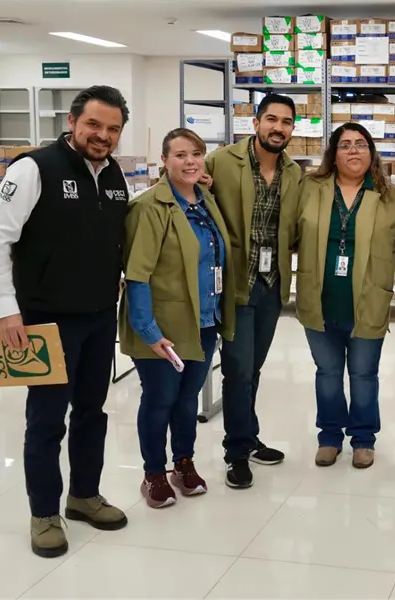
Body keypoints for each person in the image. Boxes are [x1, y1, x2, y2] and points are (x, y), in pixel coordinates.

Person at [0, 86, 131, 557]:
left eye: (113, 128)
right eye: (94, 124)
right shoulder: (34, 168)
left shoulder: (115, 175)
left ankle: (84, 496)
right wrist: (5, 309)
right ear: (73, 121)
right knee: (47, 420)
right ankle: (43, 513)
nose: (103, 135)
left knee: (93, 413)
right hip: (44, 319)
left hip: (98, 317)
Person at [120, 128, 236, 508]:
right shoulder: (150, 208)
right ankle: (153, 473)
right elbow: (137, 276)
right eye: (181, 155)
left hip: (204, 322)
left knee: (187, 401)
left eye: (197, 154)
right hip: (162, 328)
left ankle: (183, 463)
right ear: (165, 160)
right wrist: (149, 331)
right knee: (160, 400)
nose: (190, 161)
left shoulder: (206, 203)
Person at [205, 94, 302, 489]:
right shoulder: (221, 161)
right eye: (272, 119)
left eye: (287, 122)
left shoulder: (294, 172)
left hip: (271, 284)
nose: (279, 128)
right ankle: (236, 451)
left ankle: (249, 434)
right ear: (256, 122)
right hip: (234, 285)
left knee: (253, 368)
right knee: (237, 370)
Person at [294, 123, 395, 470]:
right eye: (345, 145)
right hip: (320, 296)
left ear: (371, 152)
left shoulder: (388, 195)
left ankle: (363, 438)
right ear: (333, 154)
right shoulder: (311, 188)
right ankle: (329, 436)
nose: (353, 151)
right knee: (326, 372)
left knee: (363, 373)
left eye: (360, 144)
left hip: (368, 299)